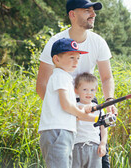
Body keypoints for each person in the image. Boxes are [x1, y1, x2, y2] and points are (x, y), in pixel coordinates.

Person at [36, 0, 116, 167]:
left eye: (93, 11)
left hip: (87, 102)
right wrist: (64, 111)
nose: (93, 14)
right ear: (72, 15)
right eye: (87, 10)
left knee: (102, 161)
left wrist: (109, 100)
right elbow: (42, 84)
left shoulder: (98, 42)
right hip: (65, 111)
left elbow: (107, 77)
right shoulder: (55, 43)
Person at [38, 38, 99, 168]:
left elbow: (70, 108)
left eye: (78, 58)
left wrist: (90, 114)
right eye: (71, 57)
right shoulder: (60, 76)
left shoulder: (65, 77)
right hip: (58, 132)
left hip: (63, 131)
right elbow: (67, 105)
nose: (76, 61)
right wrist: (85, 115)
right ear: (56, 59)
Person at [72, 72, 108, 168]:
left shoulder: (99, 109)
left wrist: (103, 144)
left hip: (94, 147)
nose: (89, 93)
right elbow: (76, 117)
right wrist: (83, 110)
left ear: (96, 91)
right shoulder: (74, 107)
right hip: (76, 146)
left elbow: (103, 129)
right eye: (85, 89)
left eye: (92, 90)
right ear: (76, 90)